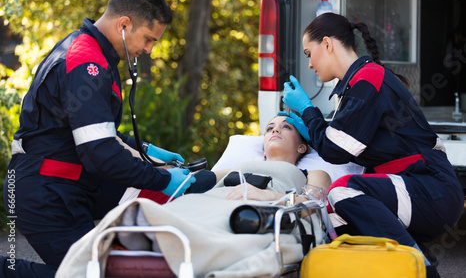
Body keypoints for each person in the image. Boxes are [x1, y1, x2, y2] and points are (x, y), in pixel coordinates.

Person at [1, 0, 196, 278]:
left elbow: (92, 131)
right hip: (45, 192)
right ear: (124, 25)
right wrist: (163, 179)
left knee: (104, 267)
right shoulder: (86, 63)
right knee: (88, 275)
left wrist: (145, 149)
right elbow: (100, 154)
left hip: (67, 184)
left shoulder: (95, 55)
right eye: (148, 39)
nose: (148, 49)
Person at [282, 12, 464, 277]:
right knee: (332, 221)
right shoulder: (358, 83)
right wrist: (311, 130)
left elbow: (336, 150)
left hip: (432, 189)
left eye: (309, 53)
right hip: (418, 190)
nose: (309, 64)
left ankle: (420, 268)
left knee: (342, 191)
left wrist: (309, 111)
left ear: (328, 45)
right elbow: (342, 141)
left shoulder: (367, 80)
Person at [55, 114, 332, 278]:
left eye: (286, 127)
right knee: (178, 209)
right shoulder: (235, 168)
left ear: (302, 147)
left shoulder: (312, 173)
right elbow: (192, 181)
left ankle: (162, 246)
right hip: (211, 201)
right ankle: (149, 237)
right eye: (270, 128)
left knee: (221, 226)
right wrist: (150, 159)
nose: (275, 131)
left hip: (254, 210)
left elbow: (314, 205)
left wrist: (267, 195)